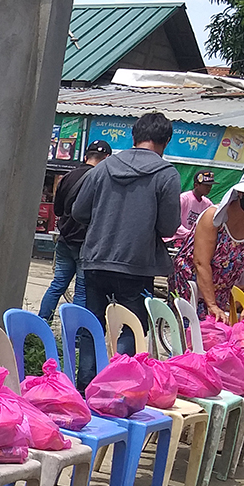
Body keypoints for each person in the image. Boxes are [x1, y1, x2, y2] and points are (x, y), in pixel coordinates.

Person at [70, 112, 180, 388]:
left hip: (95, 259)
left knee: (92, 325)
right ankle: (112, 389)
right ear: (165, 141)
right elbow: (169, 227)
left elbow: (79, 211)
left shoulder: (103, 168)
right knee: (131, 326)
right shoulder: (166, 175)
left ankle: (85, 386)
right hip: (137, 265)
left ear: (134, 136)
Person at [171, 167, 244, 328]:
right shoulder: (214, 217)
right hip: (190, 284)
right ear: (240, 193)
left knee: (215, 336)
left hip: (221, 290)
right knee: (191, 334)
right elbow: (201, 263)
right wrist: (211, 305)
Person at [37, 140, 112, 321]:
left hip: (64, 240)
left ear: (86, 156)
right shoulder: (102, 180)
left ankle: (41, 324)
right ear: (107, 159)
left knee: (57, 285)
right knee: (81, 291)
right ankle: (74, 336)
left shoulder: (68, 177)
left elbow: (58, 211)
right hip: (85, 244)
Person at [173, 170, 215, 243]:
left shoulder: (208, 203)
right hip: (176, 239)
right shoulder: (184, 198)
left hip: (193, 240)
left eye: (210, 186)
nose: (209, 188)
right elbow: (173, 222)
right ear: (196, 185)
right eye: (206, 186)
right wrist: (190, 234)